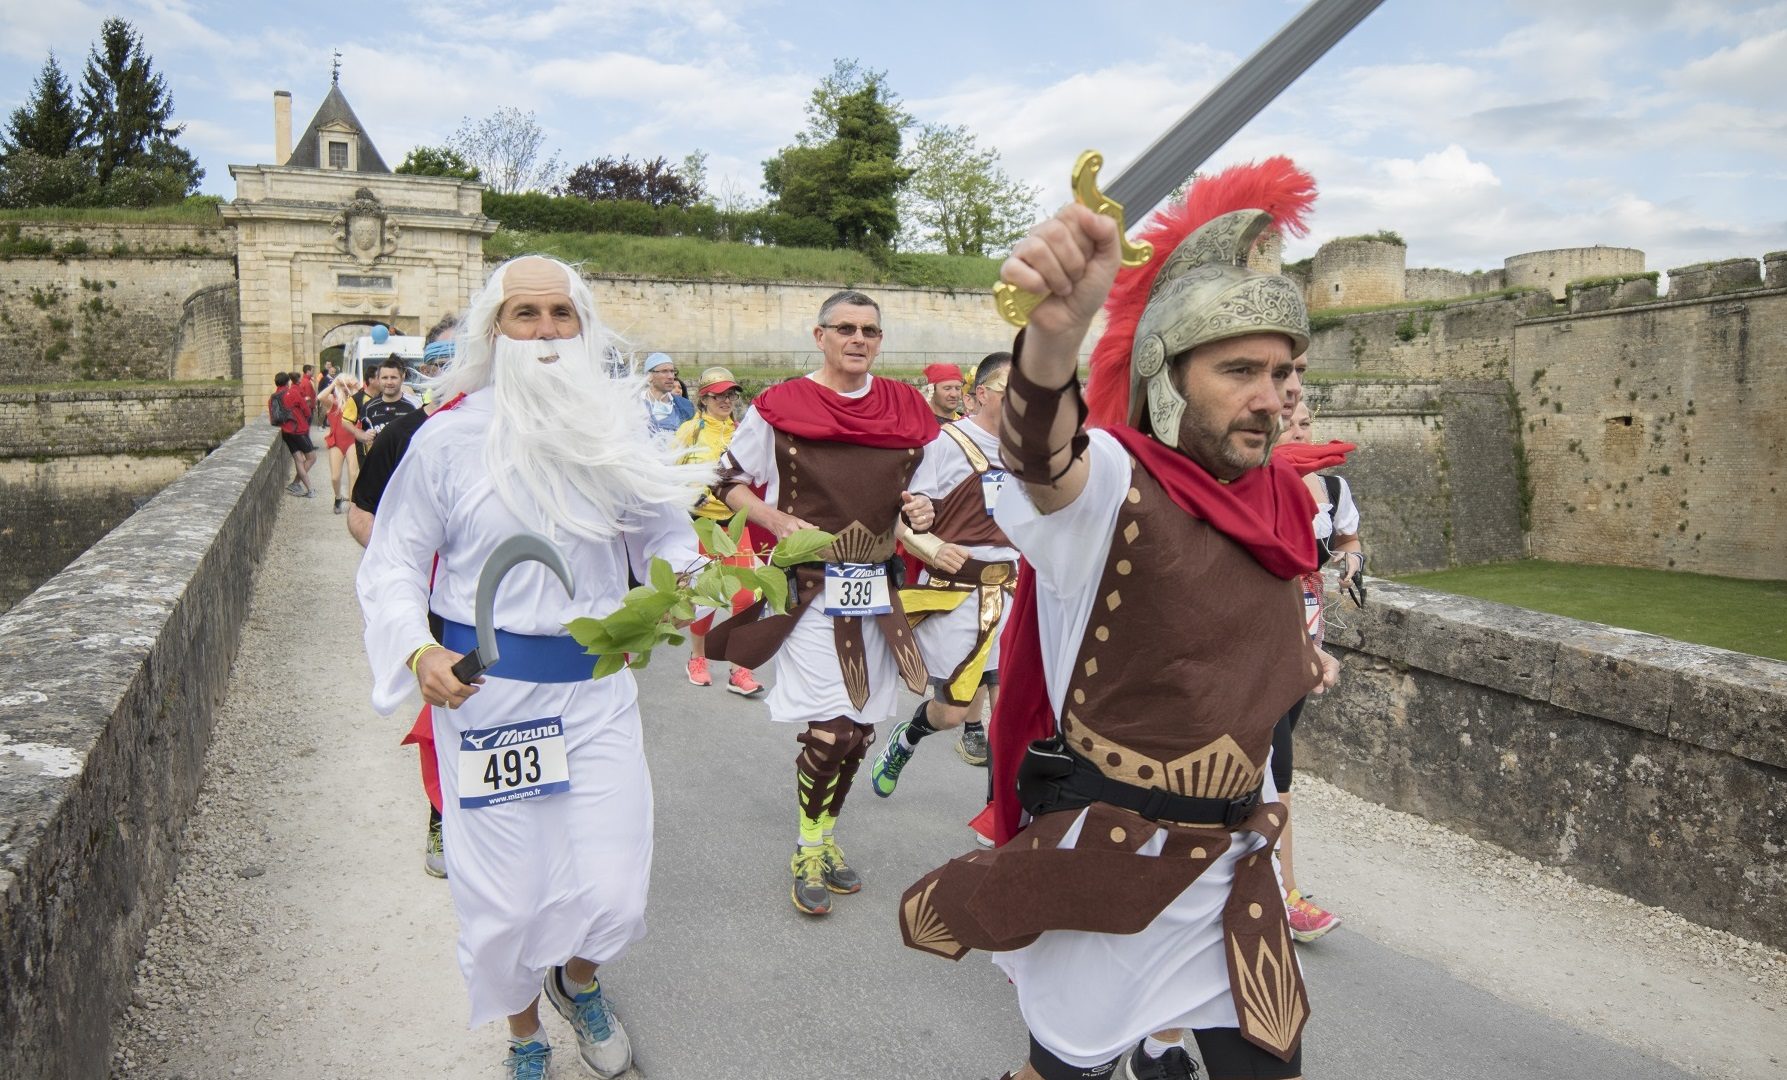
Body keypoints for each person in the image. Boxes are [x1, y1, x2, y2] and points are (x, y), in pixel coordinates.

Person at [900, 159, 1339, 1080]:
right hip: (1114, 858)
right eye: (1239, 370)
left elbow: (1247, 627)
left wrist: (1296, 663)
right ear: (1167, 378)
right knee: (1063, 1072)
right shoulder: (1111, 485)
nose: (1271, 394)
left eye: (1282, 371)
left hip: (1233, 867)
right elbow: (1039, 451)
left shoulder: (1285, 501)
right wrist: (1053, 338)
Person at [358, 255, 708, 1079]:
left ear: (583, 327)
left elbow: (666, 535)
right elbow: (394, 563)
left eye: (563, 314)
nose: (547, 331)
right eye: (527, 314)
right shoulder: (445, 438)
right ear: (494, 329)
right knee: (506, 896)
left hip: (596, 692)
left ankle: (577, 982)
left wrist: (689, 577)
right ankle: (523, 1033)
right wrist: (419, 650)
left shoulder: (613, 433)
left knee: (616, 886)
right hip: (488, 701)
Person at [706, 288, 938, 916]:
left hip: (877, 589)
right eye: (845, 328)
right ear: (820, 336)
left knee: (859, 732)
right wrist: (773, 518)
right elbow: (724, 480)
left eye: (870, 330)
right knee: (831, 730)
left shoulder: (905, 406)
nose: (859, 339)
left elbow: (928, 488)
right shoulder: (782, 405)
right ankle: (808, 845)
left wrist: (921, 507)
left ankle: (826, 836)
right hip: (808, 589)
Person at [872, 350, 1017, 790]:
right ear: (980, 395)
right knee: (952, 713)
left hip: (1013, 591)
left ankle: (999, 817)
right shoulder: (944, 443)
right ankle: (907, 738)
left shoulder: (1035, 451)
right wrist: (932, 546)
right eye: (1011, 390)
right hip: (957, 594)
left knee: (1010, 714)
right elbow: (904, 517)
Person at [348, 319, 459, 874]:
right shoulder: (402, 435)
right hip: (436, 606)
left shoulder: (526, 434)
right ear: (430, 369)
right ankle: (441, 821)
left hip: (513, 605)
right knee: (449, 709)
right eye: (445, 361)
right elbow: (361, 512)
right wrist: (401, 561)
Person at [1269, 401, 1362, 943]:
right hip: (1266, 642)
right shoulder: (1252, 486)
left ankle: (1245, 872)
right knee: (1278, 768)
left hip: (1309, 633)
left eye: (1305, 423)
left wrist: (1351, 559)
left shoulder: (1333, 490)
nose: (1299, 431)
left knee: (1266, 765)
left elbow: (1347, 539)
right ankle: (1285, 892)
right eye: (1287, 423)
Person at [671, 366, 767, 697]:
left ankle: (739, 668)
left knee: (743, 598)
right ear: (704, 398)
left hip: (735, 524)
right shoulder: (689, 431)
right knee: (706, 598)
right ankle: (698, 658)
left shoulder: (741, 432)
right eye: (719, 395)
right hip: (701, 525)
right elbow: (669, 473)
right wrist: (690, 492)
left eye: (731, 394)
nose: (727, 400)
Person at [356, 357, 419, 467]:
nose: (389, 382)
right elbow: (358, 433)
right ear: (379, 379)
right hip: (379, 468)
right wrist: (364, 435)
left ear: (402, 378)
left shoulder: (413, 407)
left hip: (405, 467)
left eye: (393, 377)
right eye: (385, 378)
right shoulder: (368, 407)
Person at [319, 373, 363, 514]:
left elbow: (366, 398)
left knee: (353, 472)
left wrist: (355, 386)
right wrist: (334, 383)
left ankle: (352, 504)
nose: (346, 388)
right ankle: (338, 497)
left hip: (352, 440)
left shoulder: (356, 401)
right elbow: (320, 397)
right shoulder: (333, 401)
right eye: (343, 386)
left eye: (348, 386)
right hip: (337, 441)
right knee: (335, 476)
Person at [271, 371, 316, 497]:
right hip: (298, 430)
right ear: (288, 382)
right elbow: (307, 411)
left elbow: (273, 417)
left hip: (286, 432)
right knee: (312, 458)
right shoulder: (293, 392)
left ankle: (302, 487)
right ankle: (301, 485)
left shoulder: (273, 397)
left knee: (298, 459)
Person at [641, 352, 694, 435]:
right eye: (664, 371)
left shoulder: (685, 406)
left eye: (672, 371)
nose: (670, 376)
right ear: (649, 376)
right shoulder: (635, 404)